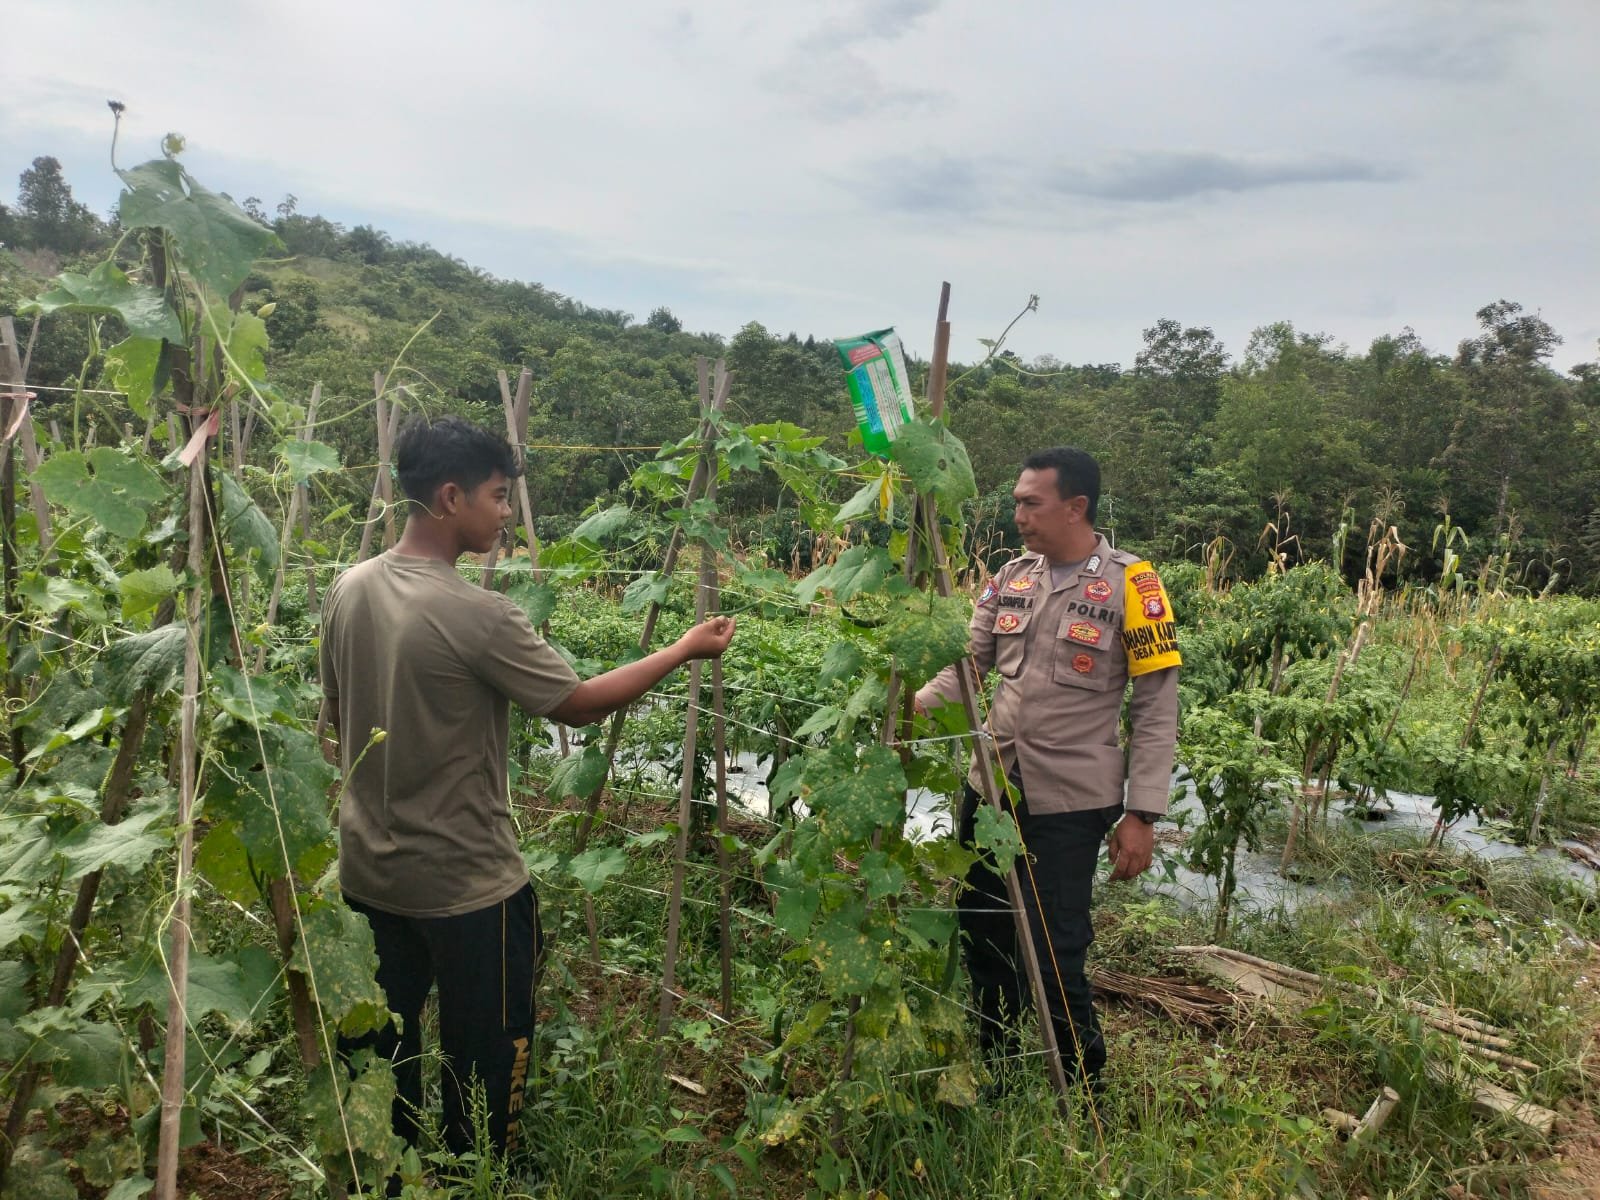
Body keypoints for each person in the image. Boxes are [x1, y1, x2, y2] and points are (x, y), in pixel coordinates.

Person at [318, 415, 735, 1166]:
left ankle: (387, 1172)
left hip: (369, 876)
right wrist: (683, 649)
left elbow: (340, 716)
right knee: (487, 1056)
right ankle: (481, 1172)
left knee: (382, 1051)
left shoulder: (349, 589)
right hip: (468, 884)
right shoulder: (477, 614)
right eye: (498, 496)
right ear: (451, 497)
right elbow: (576, 704)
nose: (507, 514)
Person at [915, 446, 1179, 1091]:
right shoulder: (1010, 577)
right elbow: (967, 669)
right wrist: (910, 708)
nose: (1019, 516)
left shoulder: (1135, 585)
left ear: (1074, 507)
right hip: (992, 786)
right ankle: (1001, 1070)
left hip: (1070, 800)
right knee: (984, 930)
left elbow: (1155, 707)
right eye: (1017, 503)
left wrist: (1142, 813)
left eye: (1031, 503)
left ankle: (1082, 1089)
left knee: (1056, 945)